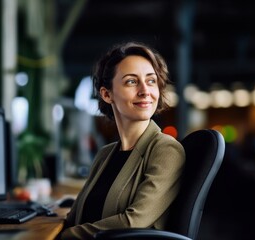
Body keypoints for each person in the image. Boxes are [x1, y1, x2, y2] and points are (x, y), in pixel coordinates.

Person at [58, 41, 185, 239]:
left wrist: (65, 236)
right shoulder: (105, 155)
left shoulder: (166, 150)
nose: (145, 91)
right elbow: (76, 216)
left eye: (151, 81)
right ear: (107, 94)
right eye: (131, 82)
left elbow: (133, 222)